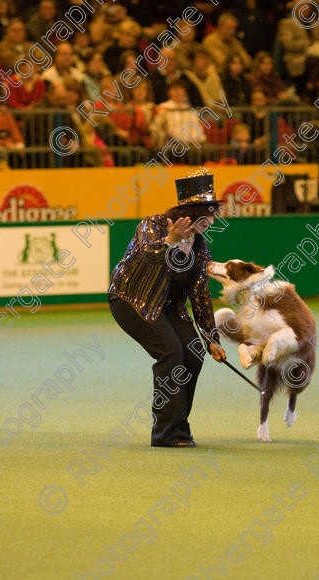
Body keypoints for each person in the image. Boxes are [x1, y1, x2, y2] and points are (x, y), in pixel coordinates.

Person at [108, 169, 227, 447]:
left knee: (194, 354)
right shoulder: (152, 225)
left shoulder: (199, 243)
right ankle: (167, 433)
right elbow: (148, 255)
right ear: (187, 212)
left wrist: (211, 338)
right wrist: (170, 241)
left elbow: (199, 291)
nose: (210, 219)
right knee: (171, 352)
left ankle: (178, 424)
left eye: (212, 213)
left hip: (167, 306)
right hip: (131, 301)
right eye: (205, 212)